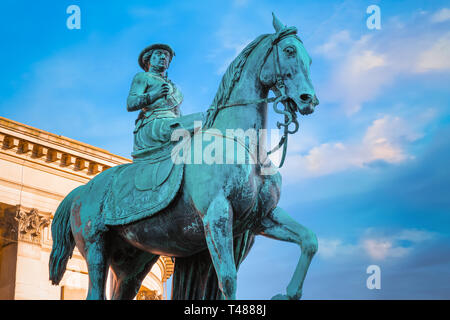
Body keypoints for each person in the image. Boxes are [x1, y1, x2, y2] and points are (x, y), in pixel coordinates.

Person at [127, 43, 201, 162]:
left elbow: (177, 112)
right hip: (154, 124)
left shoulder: (173, 86)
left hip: (171, 122)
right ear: (149, 59)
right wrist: (155, 94)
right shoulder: (143, 77)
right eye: (159, 54)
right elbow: (131, 103)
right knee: (202, 119)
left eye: (166, 55)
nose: (163, 57)